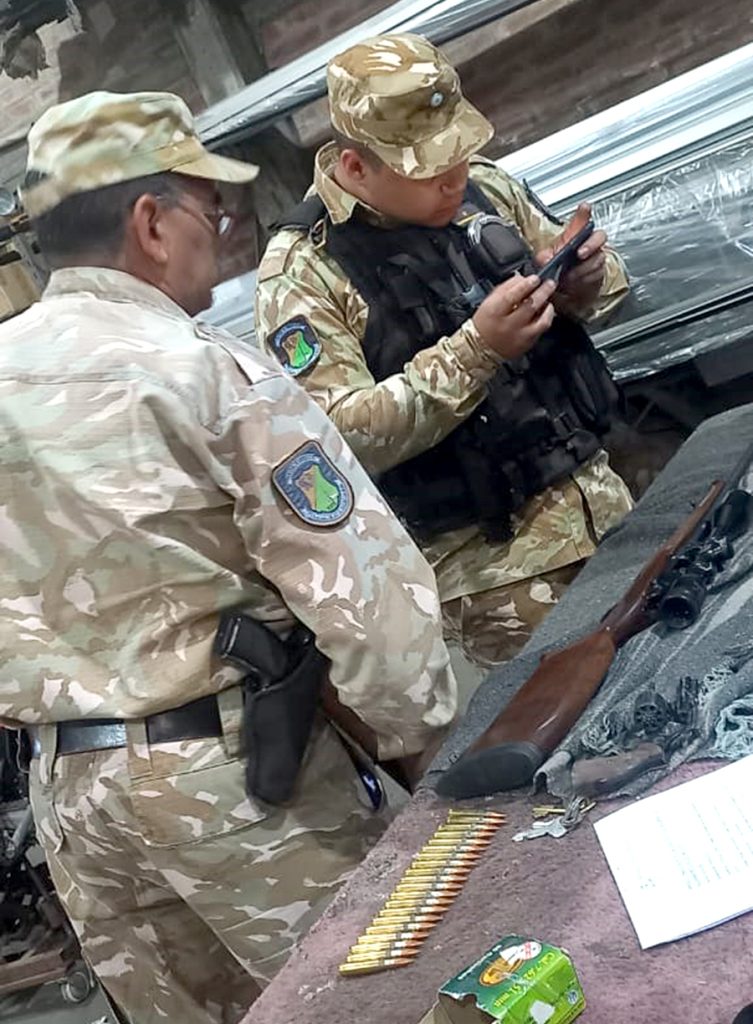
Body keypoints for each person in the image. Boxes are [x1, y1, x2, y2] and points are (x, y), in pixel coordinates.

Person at [0, 90, 457, 1024]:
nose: (222, 228)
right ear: (150, 223)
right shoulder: (204, 370)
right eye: (209, 207)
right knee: (386, 1001)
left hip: (73, 804)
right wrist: (432, 760)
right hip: (244, 789)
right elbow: (365, 597)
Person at [255, 32, 635, 669]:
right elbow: (337, 437)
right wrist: (477, 350)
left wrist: (584, 282)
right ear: (356, 168)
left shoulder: (482, 187)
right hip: (501, 578)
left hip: (607, 506)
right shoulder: (303, 271)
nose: (454, 177)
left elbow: (614, 289)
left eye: (457, 152)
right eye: (429, 168)